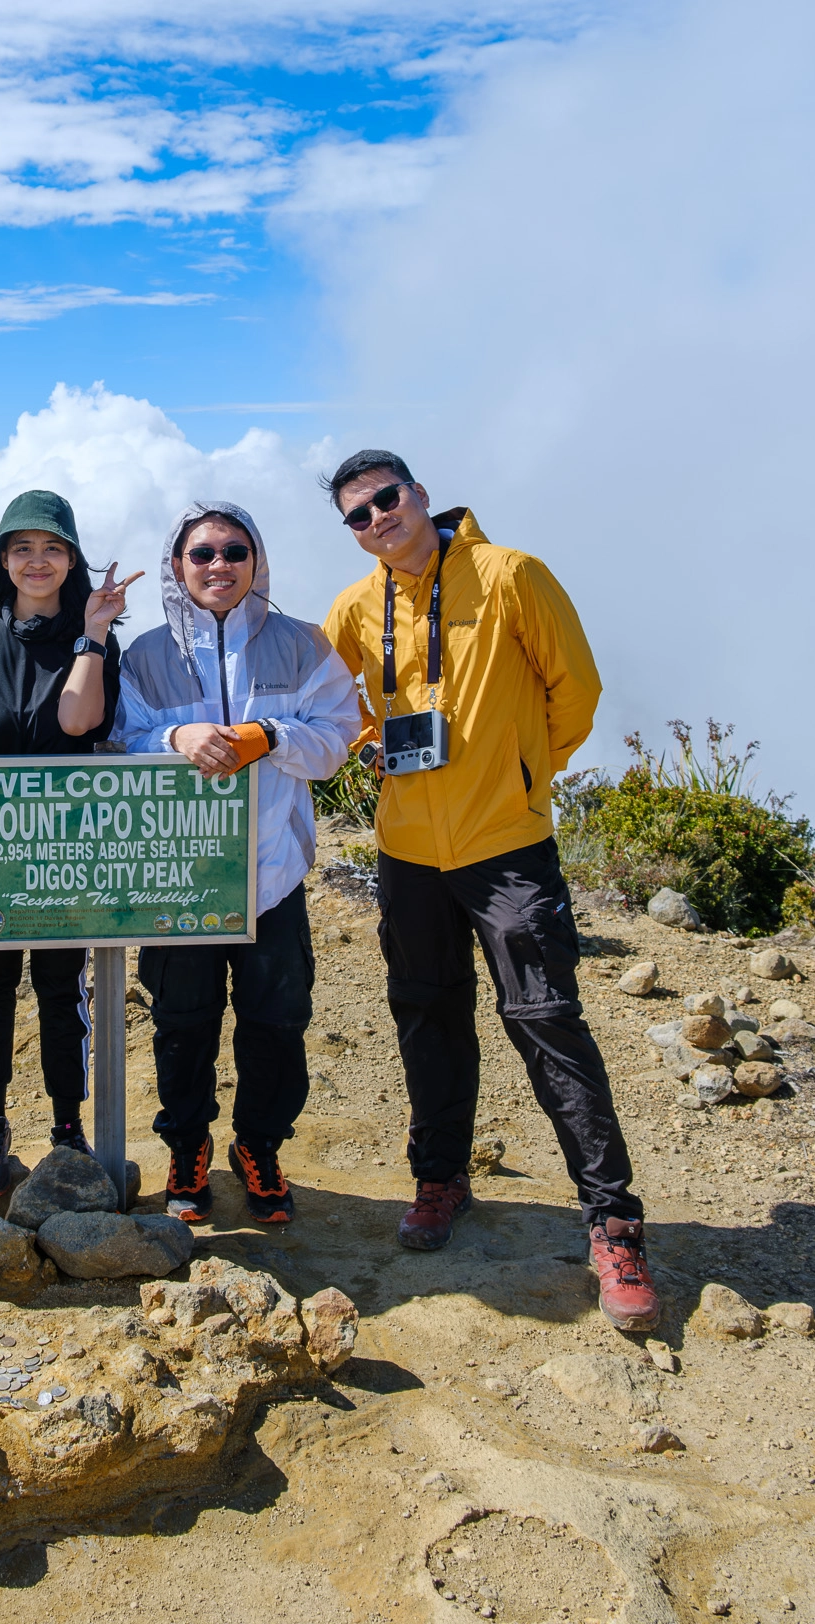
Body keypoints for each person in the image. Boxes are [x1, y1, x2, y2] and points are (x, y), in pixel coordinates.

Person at [322, 448, 659, 1332]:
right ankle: (440, 1181)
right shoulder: (356, 606)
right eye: (356, 515)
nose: (375, 520)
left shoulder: (511, 575)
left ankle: (612, 1221)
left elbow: (573, 691)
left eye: (384, 500)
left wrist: (518, 777)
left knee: (545, 1020)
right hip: (406, 854)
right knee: (425, 1015)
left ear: (420, 495)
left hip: (506, 846)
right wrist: (368, 750)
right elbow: (338, 706)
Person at [113, 501, 361, 1224]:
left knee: (276, 1022)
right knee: (181, 1022)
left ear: (256, 562)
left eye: (233, 550)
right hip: (179, 875)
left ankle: (259, 1146)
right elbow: (117, 743)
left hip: (273, 872)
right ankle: (186, 1147)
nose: (218, 565)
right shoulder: (146, 656)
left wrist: (269, 735)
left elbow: (337, 740)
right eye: (201, 553)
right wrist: (176, 737)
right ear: (176, 564)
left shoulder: (302, 644)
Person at [0, 490, 141, 1197]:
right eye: (21, 548)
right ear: (2, 559)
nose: (36, 561)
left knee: (58, 984)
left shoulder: (94, 635)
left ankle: (67, 1125)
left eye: (51, 548)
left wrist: (93, 633)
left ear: (71, 557)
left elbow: (80, 724)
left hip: (67, 846)